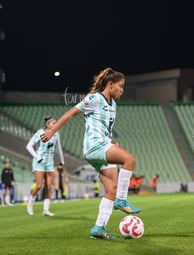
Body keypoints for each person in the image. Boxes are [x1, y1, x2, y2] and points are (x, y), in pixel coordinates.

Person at [41, 67, 140, 240]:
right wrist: (52, 132)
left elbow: (105, 129)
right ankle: (122, 200)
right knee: (130, 160)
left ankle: (99, 228)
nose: (122, 90)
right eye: (120, 86)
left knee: (111, 189)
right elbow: (71, 112)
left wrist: (111, 142)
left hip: (102, 145)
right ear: (110, 85)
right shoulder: (94, 99)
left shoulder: (113, 105)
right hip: (95, 147)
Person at [26, 117, 65, 216]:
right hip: (39, 162)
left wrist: (62, 161)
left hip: (49, 163)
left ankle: (46, 210)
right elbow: (29, 146)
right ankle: (30, 204)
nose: (55, 124)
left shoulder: (56, 134)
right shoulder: (40, 132)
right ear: (47, 124)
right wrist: (37, 157)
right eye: (53, 123)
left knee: (48, 187)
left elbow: (59, 148)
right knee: (39, 185)